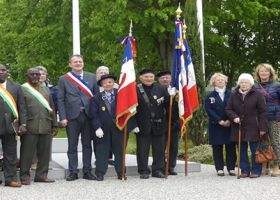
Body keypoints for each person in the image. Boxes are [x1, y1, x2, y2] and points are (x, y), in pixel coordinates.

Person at [57, 54, 99, 181]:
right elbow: (60, 99)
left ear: (83, 63)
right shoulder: (64, 79)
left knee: (87, 145)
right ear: (70, 64)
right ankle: (73, 172)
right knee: (72, 145)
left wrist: (96, 117)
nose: (78, 64)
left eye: (80, 62)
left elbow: (97, 98)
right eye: (75, 62)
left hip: (88, 116)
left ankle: (87, 171)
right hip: (71, 117)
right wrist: (63, 117)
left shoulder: (91, 77)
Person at [90, 74, 137, 181]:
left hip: (119, 128)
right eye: (105, 83)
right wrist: (97, 127)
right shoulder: (96, 97)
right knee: (102, 151)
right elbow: (93, 114)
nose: (108, 84)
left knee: (120, 152)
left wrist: (133, 125)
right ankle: (100, 173)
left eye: (110, 82)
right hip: (103, 129)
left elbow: (129, 111)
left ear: (113, 83)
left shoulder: (122, 95)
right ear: (102, 85)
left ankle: (121, 173)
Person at [225, 73, 268, 178]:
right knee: (242, 150)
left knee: (255, 150)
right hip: (238, 126)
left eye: (246, 82)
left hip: (254, 126)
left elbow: (263, 112)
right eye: (242, 82)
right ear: (239, 84)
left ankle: (256, 171)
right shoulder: (234, 95)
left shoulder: (258, 94)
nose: (244, 84)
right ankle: (244, 170)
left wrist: (263, 128)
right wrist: (234, 117)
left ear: (251, 84)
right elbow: (228, 109)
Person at [20, 68, 57, 185]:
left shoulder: (46, 90)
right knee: (27, 153)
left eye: (37, 74)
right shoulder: (22, 89)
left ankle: (41, 176)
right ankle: (24, 176)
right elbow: (21, 109)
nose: (35, 76)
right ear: (27, 75)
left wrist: (54, 125)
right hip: (30, 126)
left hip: (46, 125)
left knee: (45, 153)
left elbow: (52, 108)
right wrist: (22, 124)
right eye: (32, 74)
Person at [135, 68, 174, 179]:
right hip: (142, 124)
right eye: (146, 77)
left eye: (151, 77)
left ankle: (158, 170)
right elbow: (131, 109)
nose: (149, 79)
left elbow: (168, 107)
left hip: (159, 124)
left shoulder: (161, 89)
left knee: (159, 149)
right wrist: (133, 125)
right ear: (141, 78)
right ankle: (143, 170)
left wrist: (173, 99)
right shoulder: (135, 89)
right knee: (142, 149)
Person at [0, 63, 27, 187]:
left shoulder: (16, 87)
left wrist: (23, 123)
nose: (1, 72)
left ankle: (10, 179)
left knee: (10, 154)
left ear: (7, 72)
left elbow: (22, 106)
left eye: (3, 70)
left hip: (11, 125)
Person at [205, 73, 236, 176]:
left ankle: (231, 168)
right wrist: (219, 120)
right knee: (217, 147)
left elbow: (235, 108)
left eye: (222, 80)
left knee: (230, 147)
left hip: (229, 124)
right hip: (216, 125)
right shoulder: (210, 95)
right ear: (214, 82)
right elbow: (209, 110)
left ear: (225, 81)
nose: (220, 81)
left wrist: (229, 120)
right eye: (218, 80)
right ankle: (219, 168)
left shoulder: (232, 94)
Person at [254, 63, 280, 176]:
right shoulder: (254, 87)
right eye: (261, 71)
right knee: (262, 143)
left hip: (274, 118)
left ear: (270, 73)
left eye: (266, 71)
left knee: (276, 143)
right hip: (260, 119)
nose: (264, 73)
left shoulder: (277, 85)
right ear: (258, 73)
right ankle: (264, 165)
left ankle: (277, 166)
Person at [157, 70, 180, 175]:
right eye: (162, 78)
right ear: (159, 80)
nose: (165, 79)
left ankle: (171, 166)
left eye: (167, 77)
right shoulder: (156, 90)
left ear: (171, 79)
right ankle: (161, 166)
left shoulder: (177, 91)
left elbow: (181, 107)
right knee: (161, 146)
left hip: (174, 122)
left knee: (173, 146)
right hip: (160, 122)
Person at [95, 65, 118, 166]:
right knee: (100, 141)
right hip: (100, 118)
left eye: (105, 72)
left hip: (114, 120)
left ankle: (109, 157)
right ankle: (100, 159)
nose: (103, 74)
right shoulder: (94, 85)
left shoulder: (116, 86)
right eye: (101, 72)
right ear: (97, 75)